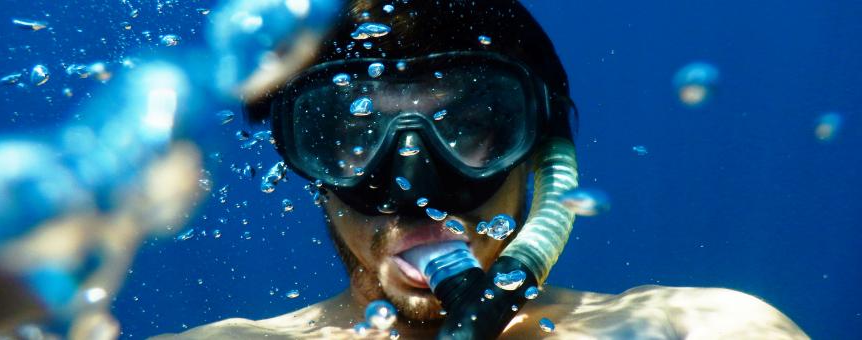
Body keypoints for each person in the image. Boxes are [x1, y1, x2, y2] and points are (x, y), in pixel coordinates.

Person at [158, 0, 808, 338]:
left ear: (544, 151)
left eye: (466, 128)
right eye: (355, 136)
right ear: (309, 162)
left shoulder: (698, 331)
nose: (412, 182)